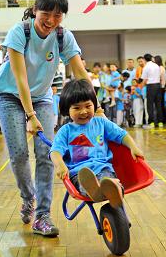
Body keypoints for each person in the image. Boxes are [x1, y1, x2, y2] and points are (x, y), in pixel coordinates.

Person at [0, 0, 94, 237]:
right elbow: (20, 78)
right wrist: (30, 115)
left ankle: (42, 215)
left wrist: (97, 107)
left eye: (58, 16)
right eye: (46, 14)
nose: (50, 21)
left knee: (47, 154)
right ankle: (28, 197)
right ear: (35, 10)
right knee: (18, 154)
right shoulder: (20, 32)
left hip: (42, 97)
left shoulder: (63, 36)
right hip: (9, 95)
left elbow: (80, 73)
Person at [50, 79, 144, 208]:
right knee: (85, 183)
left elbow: (121, 135)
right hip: (79, 172)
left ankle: (108, 191)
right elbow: (55, 151)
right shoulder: (65, 131)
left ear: (94, 105)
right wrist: (60, 165)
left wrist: (133, 147)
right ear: (67, 109)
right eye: (77, 108)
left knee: (109, 181)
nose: (83, 111)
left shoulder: (101, 123)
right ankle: (96, 191)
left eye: (88, 106)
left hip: (103, 167)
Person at [141, 53, 163, 128]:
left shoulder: (146, 67)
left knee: (150, 105)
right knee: (158, 104)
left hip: (150, 86)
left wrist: (141, 86)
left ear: (144, 59)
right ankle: (160, 122)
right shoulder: (156, 65)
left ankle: (152, 122)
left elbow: (144, 79)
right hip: (158, 85)